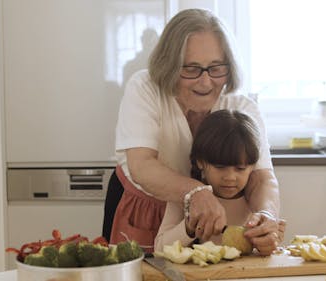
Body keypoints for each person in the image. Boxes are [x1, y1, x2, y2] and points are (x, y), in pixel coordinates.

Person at [103, 8, 283, 254]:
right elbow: (142, 166)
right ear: (169, 65)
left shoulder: (242, 106)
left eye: (216, 68)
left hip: (209, 216)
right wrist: (195, 192)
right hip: (143, 209)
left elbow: (262, 177)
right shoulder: (145, 88)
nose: (206, 81)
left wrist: (266, 215)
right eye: (191, 68)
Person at [155, 109, 286, 255]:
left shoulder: (256, 201)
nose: (230, 177)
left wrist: (268, 242)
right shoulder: (186, 196)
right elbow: (160, 248)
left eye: (240, 168)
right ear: (200, 161)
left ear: (253, 166)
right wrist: (189, 227)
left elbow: (267, 249)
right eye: (220, 167)